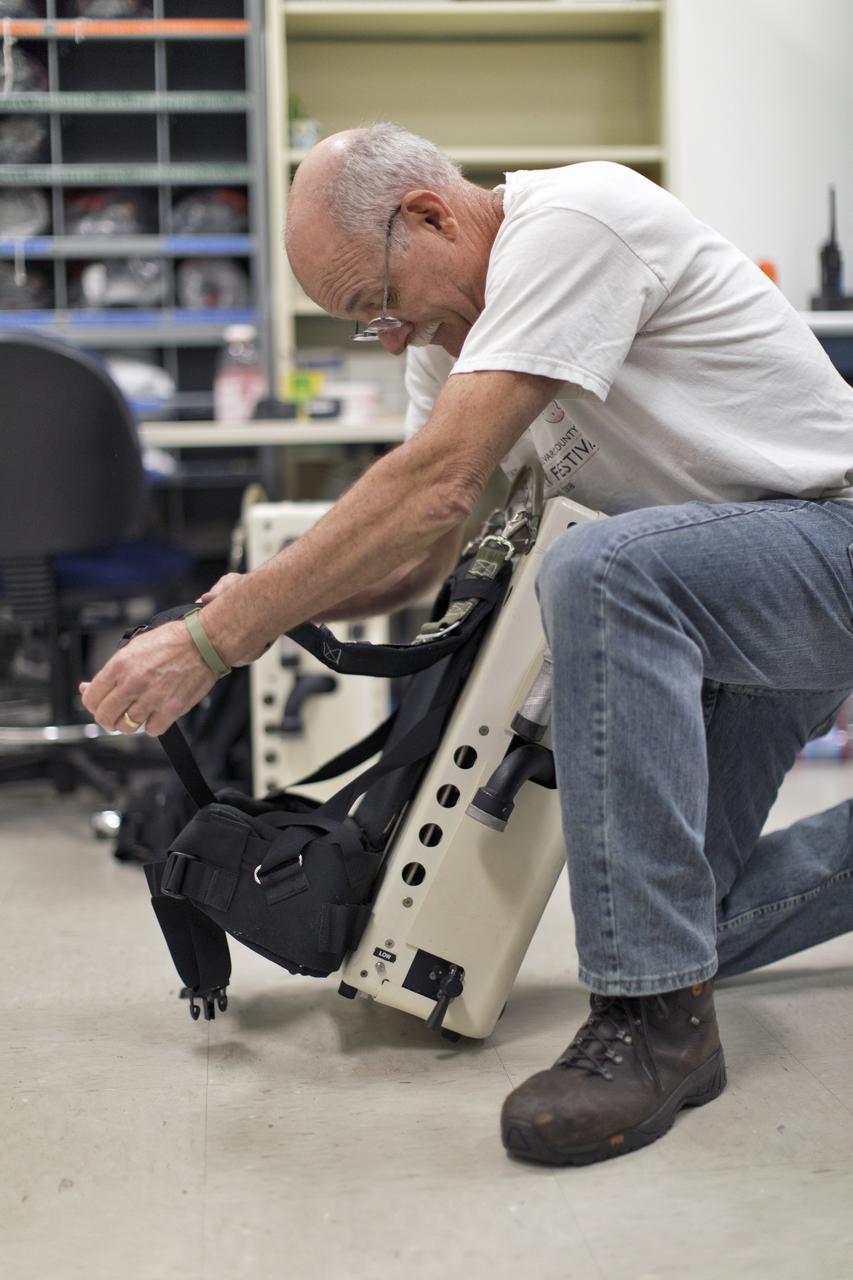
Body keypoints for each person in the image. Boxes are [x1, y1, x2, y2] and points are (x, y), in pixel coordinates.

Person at [80, 123, 853, 1167]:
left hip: (829, 539)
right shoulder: (446, 342)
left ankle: (652, 1027)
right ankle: (668, 969)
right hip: (724, 600)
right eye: (368, 324)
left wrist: (218, 639)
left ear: (431, 215)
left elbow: (439, 481)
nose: (390, 338)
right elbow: (419, 552)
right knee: (686, 915)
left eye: (379, 304)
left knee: (599, 570)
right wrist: (265, 603)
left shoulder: (574, 222)